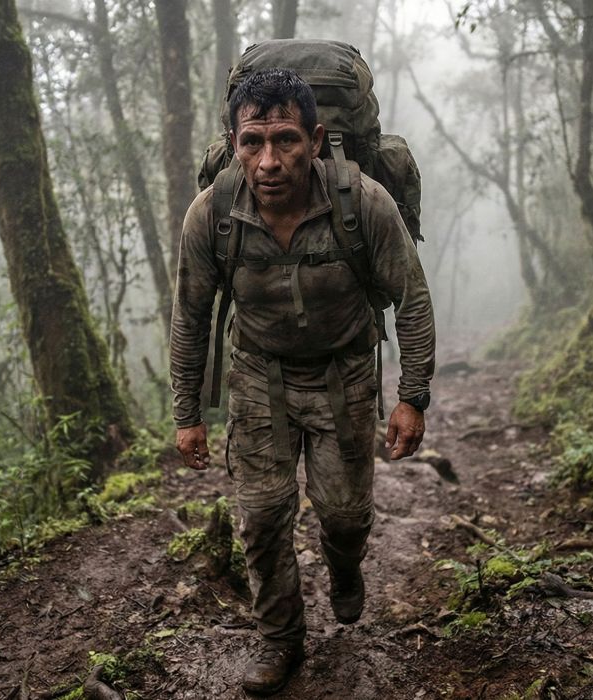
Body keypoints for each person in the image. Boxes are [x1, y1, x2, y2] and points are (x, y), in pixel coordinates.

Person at [169, 68, 435, 695]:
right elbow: (191, 312)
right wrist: (187, 412)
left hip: (345, 374)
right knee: (261, 518)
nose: (269, 160)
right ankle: (280, 640)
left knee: (345, 516)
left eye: (286, 139)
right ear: (233, 143)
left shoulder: (363, 202)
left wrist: (411, 396)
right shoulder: (213, 214)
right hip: (258, 375)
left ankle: (345, 570)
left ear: (316, 140)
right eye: (252, 141)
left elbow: (412, 299)